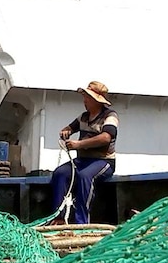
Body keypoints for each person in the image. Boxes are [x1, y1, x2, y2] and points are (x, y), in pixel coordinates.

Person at [48, 81, 119, 225]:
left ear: (96, 101)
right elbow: (69, 127)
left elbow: (106, 137)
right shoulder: (83, 117)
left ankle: (82, 222)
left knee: (85, 176)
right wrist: (66, 131)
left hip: (103, 162)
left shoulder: (110, 116)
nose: (85, 101)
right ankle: (58, 217)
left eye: (88, 98)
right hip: (82, 160)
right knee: (60, 173)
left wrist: (79, 144)